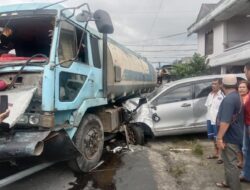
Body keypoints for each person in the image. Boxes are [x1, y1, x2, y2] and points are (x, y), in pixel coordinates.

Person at [215, 74, 243, 190]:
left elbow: (225, 122)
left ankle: (235, 187)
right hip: (233, 134)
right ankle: (227, 182)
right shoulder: (236, 96)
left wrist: (219, 138)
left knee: (231, 164)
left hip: (229, 137)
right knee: (227, 162)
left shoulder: (229, 100)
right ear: (236, 85)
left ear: (222, 85)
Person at [205, 78, 224, 164]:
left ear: (220, 85)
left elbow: (224, 110)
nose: (213, 85)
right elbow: (208, 107)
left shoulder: (222, 96)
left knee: (218, 138)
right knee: (213, 138)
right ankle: (216, 153)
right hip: (209, 119)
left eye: (215, 84)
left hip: (217, 121)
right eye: (212, 84)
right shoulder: (210, 94)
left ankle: (220, 156)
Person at [240, 63, 250, 183]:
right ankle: (247, 175)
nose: (245, 74)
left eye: (245, 71)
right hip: (247, 123)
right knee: (246, 150)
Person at [237, 80, 249, 169]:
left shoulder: (248, 98)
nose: (241, 89)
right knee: (239, 145)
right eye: (240, 87)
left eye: (243, 87)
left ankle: (245, 165)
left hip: (246, 125)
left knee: (245, 148)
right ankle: (241, 162)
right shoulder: (238, 98)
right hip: (239, 126)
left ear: (248, 88)